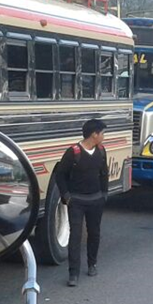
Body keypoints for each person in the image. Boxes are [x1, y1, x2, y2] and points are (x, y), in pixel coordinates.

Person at [54, 118, 110, 286]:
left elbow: (104, 173)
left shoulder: (101, 151)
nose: (103, 137)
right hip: (77, 201)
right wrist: (67, 196)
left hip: (96, 200)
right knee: (75, 237)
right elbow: (60, 174)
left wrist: (104, 194)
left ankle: (92, 264)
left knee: (94, 233)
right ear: (94, 134)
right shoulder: (73, 152)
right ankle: (73, 274)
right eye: (102, 133)